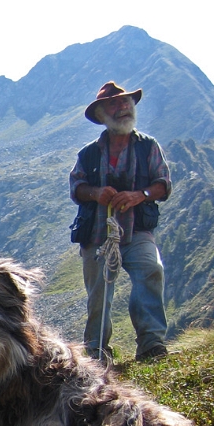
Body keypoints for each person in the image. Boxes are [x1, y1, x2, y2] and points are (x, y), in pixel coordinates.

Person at [69, 81, 172, 364]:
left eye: (126, 102)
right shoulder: (88, 153)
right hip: (98, 234)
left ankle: (152, 344)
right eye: (114, 104)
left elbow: (163, 184)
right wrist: (96, 193)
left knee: (150, 271)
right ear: (102, 115)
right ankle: (96, 351)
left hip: (137, 230)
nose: (123, 107)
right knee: (99, 293)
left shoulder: (148, 147)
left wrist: (141, 195)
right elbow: (76, 188)